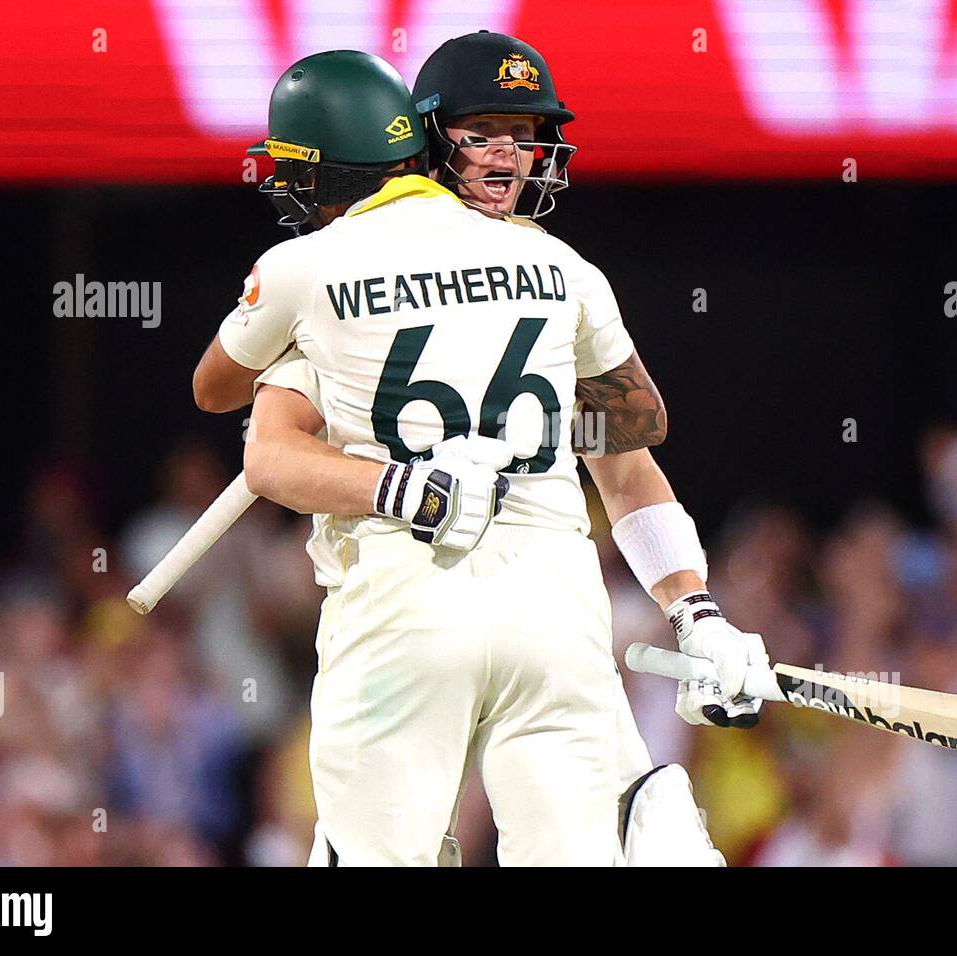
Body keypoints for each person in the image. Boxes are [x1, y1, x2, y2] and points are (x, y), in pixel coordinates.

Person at [194, 42, 765, 865]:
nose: (507, 153)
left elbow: (244, 428)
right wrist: (696, 611)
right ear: (422, 141)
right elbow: (630, 450)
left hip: (404, 599)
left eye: (520, 134)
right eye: (484, 132)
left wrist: (405, 487)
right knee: (610, 837)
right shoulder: (559, 264)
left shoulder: (310, 270)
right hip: (557, 611)